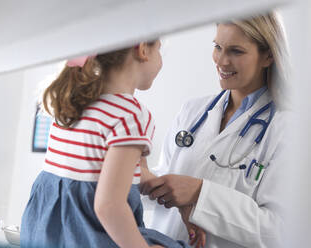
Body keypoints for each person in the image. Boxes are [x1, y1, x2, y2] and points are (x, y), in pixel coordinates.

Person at [20, 41, 191, 248]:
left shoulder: (73, 103)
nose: (161, 59)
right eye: (159, 50)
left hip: (43, 233)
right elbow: (109, 205)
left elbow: (111, 174)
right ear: (143, 49)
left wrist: (182, 203)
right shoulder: (129, 115)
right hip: (88, 233)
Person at [141, 12, 290, 248]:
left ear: (268, 56)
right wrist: (129, 177)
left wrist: (200, 193)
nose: (221, 61)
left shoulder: (288, 130)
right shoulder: (192, 111)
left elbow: (280, 231)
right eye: (218, 47)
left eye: (236, 51)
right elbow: (166, 178)